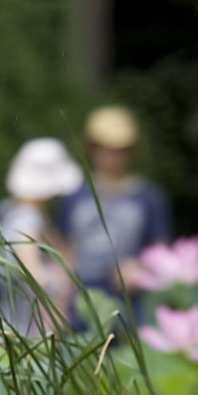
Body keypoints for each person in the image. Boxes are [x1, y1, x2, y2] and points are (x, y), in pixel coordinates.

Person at [57, 105, 174, 310]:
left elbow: (162, 251)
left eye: (120, 150)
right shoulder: (74, 194)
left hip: (129, 301)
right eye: (105, 148)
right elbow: (63, 246)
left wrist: (139, 267)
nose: (112, 156)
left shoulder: (148, 197)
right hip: (80, 299)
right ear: (91, 148)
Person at [0, 137, 83, 335]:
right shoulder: (28, 220)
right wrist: (61, 284)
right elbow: (35, 277)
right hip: (26, 338)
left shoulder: (8, 211)